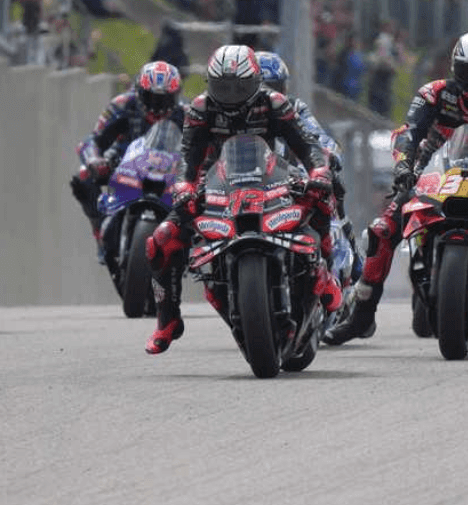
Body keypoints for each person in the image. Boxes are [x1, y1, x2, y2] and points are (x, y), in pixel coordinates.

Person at [322, 30, 468, 344]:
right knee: (381, 230)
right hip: (434, 169)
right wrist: (404, 166)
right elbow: (409, 133)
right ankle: (362, 314)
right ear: (455, 67)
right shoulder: (433, 93)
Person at [140, 45, 341, 355]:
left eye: (239, 86)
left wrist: (319, 172)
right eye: (223, 87)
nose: (231, 95)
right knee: (160, 240)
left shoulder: (274, 103)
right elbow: (187, 158)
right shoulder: (200, 109)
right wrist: (183, 187)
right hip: (218, 184)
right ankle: (168, 320)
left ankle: (325, 273)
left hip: (272, 177)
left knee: (321, 198)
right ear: (210, 83)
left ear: (256, 82)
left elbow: (308, 146)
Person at [67, 61, 184, 242]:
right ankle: (100, 228)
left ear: (175, 98)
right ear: (139, 93)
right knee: (83, 176)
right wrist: (95, 160)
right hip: (125, 166)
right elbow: (92, 141)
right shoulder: (122, 105)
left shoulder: (186, 113)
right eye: (151, 98)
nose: (157, 107)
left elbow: (204, 146)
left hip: (171, 172)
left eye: (164, 101)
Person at [257, 50, 352, 270]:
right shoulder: (233, 114)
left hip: (289, 183)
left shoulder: (293, 107)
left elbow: (317, 135)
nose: (266, 94)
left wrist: (328, 153)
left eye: (273, 87)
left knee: (331, 191)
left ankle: (346, 257)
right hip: (247, 186)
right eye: (261, 87)